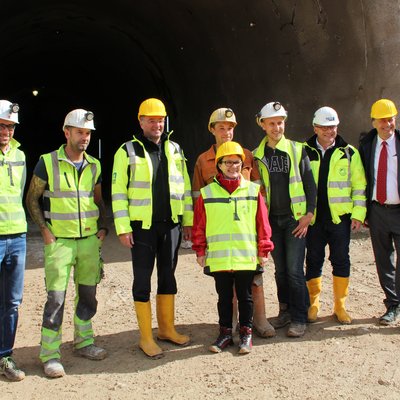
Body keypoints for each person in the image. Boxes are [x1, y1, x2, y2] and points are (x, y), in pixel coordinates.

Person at [26, 109, 108, 378]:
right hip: (59, 241)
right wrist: (44, 231)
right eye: (80, 132)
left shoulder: (94, 165)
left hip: (87, 241)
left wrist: (103, 227)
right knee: (56, 299)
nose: (84, 137)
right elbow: (32, 198)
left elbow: (97, 199)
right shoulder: (47, 162)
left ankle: (84, 342)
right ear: (67, 133)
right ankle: (50, 354)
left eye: (88, 133)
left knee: (88, 295)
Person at [111, 98, 193, 359]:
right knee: (143, 279)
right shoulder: (127, 151)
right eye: (151, 120)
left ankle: (167, 329)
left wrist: (187, 221)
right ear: (141, 122)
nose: (157, 124)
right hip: (142, 228)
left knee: (168, 276)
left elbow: (186, 188)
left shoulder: (175, 149)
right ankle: (146, 336)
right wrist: (123, 227)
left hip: (171, 226)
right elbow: (117, 192)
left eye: (160, 120)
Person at [192, 107, 275, 338]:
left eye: (230, 128)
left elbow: (260, 191)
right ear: (212, 130)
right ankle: (233, 323)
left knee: (254, 280)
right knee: (227, 285)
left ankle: (259, 319)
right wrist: (195, 233)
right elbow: (198, 198)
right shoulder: (203, 160)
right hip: (221, 232)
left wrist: (262, 229)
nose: (226, 132)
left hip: (245, 231)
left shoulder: (246, 155)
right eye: (221, 128)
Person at [253, 101, 317, 338]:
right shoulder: (257, 155)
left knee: (293, 270)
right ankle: (285, 311)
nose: (277, 127)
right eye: (272, 123)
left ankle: (300, 316)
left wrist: (308, 215)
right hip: (272, 222)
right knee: (280, 271)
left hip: (294, 221)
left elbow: (310, 185)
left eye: (280, 123)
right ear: (263, 125)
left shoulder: (298, 150)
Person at [304, 106, 367, 324]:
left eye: (333, 127)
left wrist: (358, 214)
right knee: (313, 260)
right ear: (315, 128)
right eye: (324, 127)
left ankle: (340, 306)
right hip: (312, 220)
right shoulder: (303, 151)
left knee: (341, 260)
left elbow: (359, 186)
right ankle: (313, 304)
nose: (330, 131)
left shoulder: (348, 152)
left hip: (339, 219)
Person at [359, 98, 400, 325]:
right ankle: (392, 305)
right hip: (377, 211)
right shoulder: (366, 145)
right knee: (383, 260)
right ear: (373, 122)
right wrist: (363, 212)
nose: (387, 124)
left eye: (390, 119)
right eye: (382, 120)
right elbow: (361, 179)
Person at [0, 101, 26, 381]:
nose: (6, 131)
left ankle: (5, 356)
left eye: (9, 126)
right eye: (1, 125)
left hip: (16, 234)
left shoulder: (19, 155)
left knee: (12, 301)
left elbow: (18, 194)